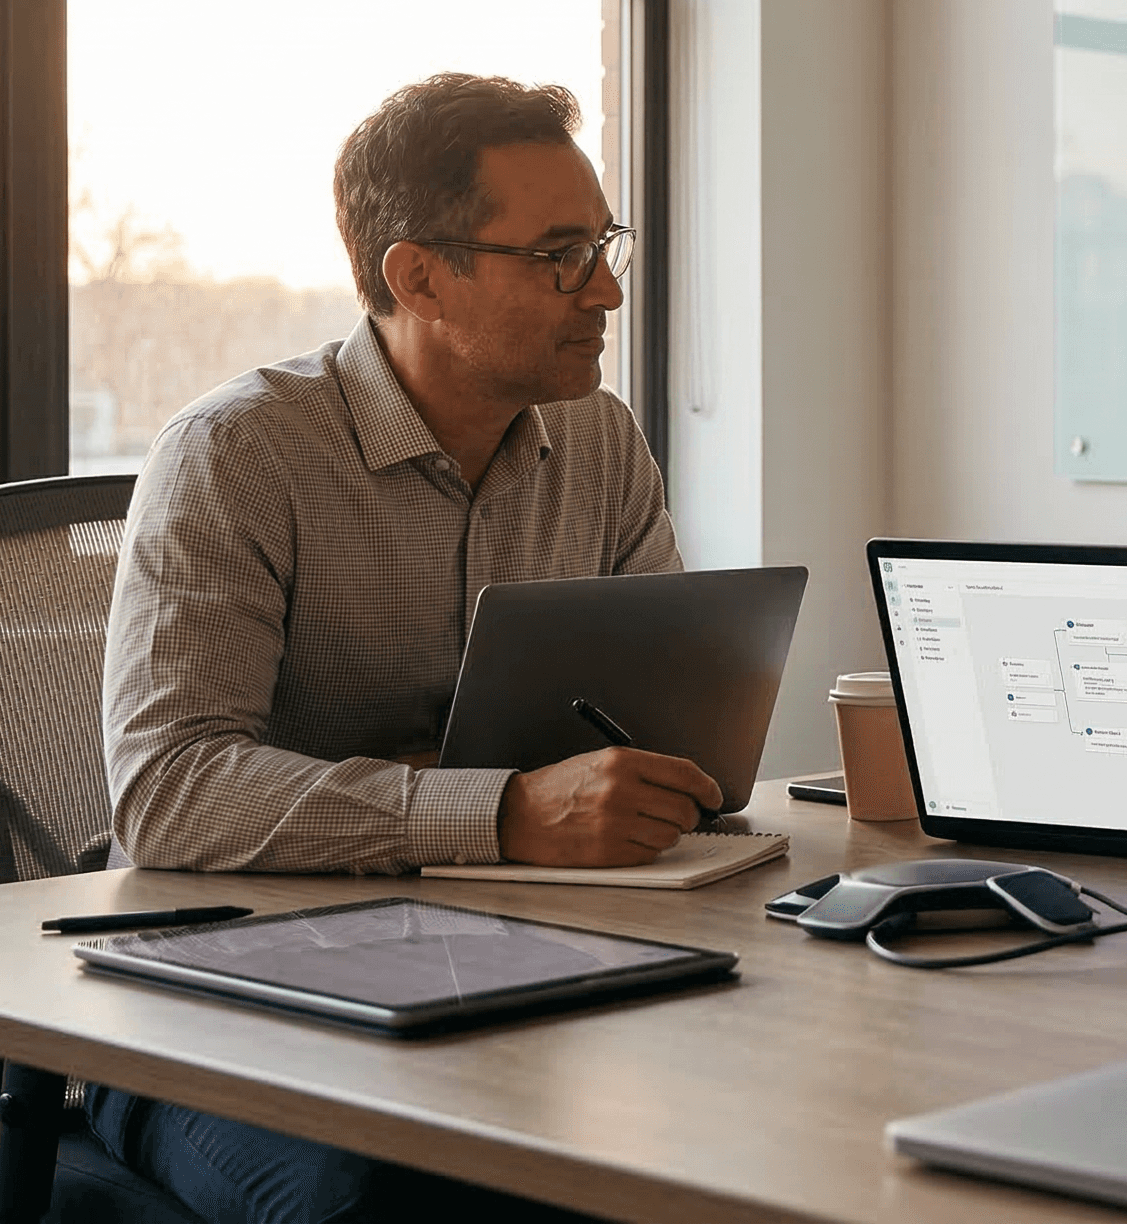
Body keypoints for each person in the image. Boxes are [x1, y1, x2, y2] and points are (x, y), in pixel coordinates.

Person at [93, 72, 712, 1220]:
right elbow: (168, 793)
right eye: (561, 254)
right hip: (215, 1001)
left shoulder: (600, 442)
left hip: (501, 958)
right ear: (419, 276)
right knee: (418, 1202)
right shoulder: (237, 455)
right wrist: (504, 812)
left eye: (605, 244)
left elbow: (659, 716)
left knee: (714, 1130)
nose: (609, 290)